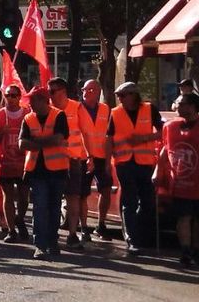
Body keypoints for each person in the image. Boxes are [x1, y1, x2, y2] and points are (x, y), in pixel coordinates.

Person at [108, 81, 163, 256]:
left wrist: (144, 138)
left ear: (133, 95)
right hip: (124, 163)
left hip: (145, 162)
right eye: (118, 96)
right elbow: (109, 138)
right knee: (129, 202)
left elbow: (163, 132)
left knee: (148, 202)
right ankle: (132, 239)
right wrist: (106, 164)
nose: (120, 99)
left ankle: (138, 232)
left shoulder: (149, 109)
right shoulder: (115, 113)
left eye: (122, 96)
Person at [20, 86, 69, 260]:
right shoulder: (28, 118)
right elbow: (22, 144)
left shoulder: (59, 115)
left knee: (54, 208)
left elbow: (59, 139)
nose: (30, 103)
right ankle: (40, 245)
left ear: (42, 100)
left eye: (32, 100)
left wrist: (36, 142)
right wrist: (46, 142)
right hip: (37, 171)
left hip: (58, 171)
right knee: (40, 208)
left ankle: (52, 242)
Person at [48, 77, 91, 251]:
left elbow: (86, 133)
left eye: (53, 91)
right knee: (53, 198)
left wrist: (91, 157)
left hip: (74, 161)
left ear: (63, 91)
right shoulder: (48, 110)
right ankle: (51, 233)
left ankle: (72, 235)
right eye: (48, 91)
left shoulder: (77, 107)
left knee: (73, 197)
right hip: (52, 161)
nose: (50, 95)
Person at [156, 93, 199, 266]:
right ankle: (186, 250)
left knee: (197, 218)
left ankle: (196, 250)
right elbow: (165, 149)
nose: (178, 107)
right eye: (177, 103)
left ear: (193, 107)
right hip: (181, 182)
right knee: (184, 216)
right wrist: (157, 171)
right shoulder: (170, 127)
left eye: (182, 104)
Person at [0, 85, 30, 243]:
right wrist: (0, 134)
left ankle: (19, 218)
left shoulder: (27, 115)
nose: (10, 98)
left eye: (14, 95)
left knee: (24, 198)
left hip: (24, 164)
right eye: (8, 95)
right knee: (8, 196)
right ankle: (11, 230)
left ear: (19, 97)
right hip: (5, 163)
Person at [77, 79, 114, 241]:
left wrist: (107, 160)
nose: (89, 92)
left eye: (93, 90)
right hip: (83, 157)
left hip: (101, 156)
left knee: (105, 189)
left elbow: (108, 135)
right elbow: (78, 133)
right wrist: (87, 156)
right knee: (82, 193)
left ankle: (101, 224)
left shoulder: (105, 109)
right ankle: (84, 227)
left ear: (99, 92)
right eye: (86, 89)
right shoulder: (77, 108)